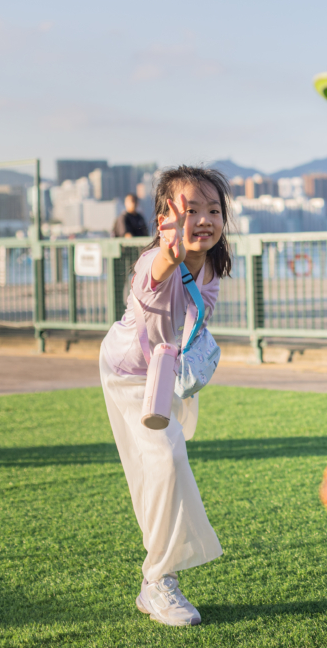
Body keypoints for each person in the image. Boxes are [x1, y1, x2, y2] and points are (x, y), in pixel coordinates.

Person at [98, 166, 232, 626]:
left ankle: (158, 576)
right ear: (164, 221)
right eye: (190, 210)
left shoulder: (211, 263)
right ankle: (157, 581)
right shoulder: (153, 261)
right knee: (164, 462)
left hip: (164, 374)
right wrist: (170, 255)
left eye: (213, 210)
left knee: (162, 467)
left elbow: (191, 322)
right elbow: (154, 279)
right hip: (129, 373)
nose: (205, 219)